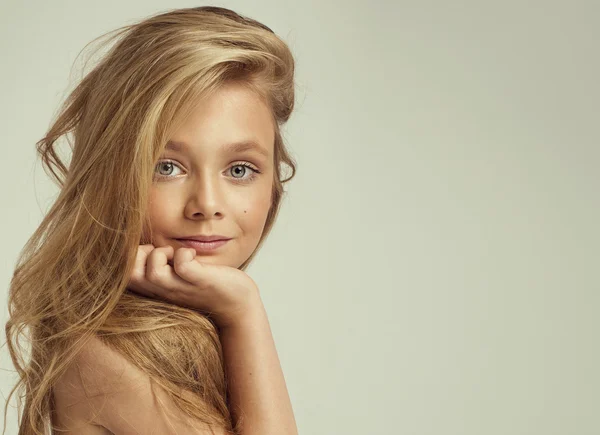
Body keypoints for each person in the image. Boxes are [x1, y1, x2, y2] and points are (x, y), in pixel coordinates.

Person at [3, 6, 298, 435]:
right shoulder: (107, 351)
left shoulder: (188, 324)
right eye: (166, 167)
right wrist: (245, 312)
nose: (207, 205)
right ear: (111, 172)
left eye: (239, 170)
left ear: (273, 178)